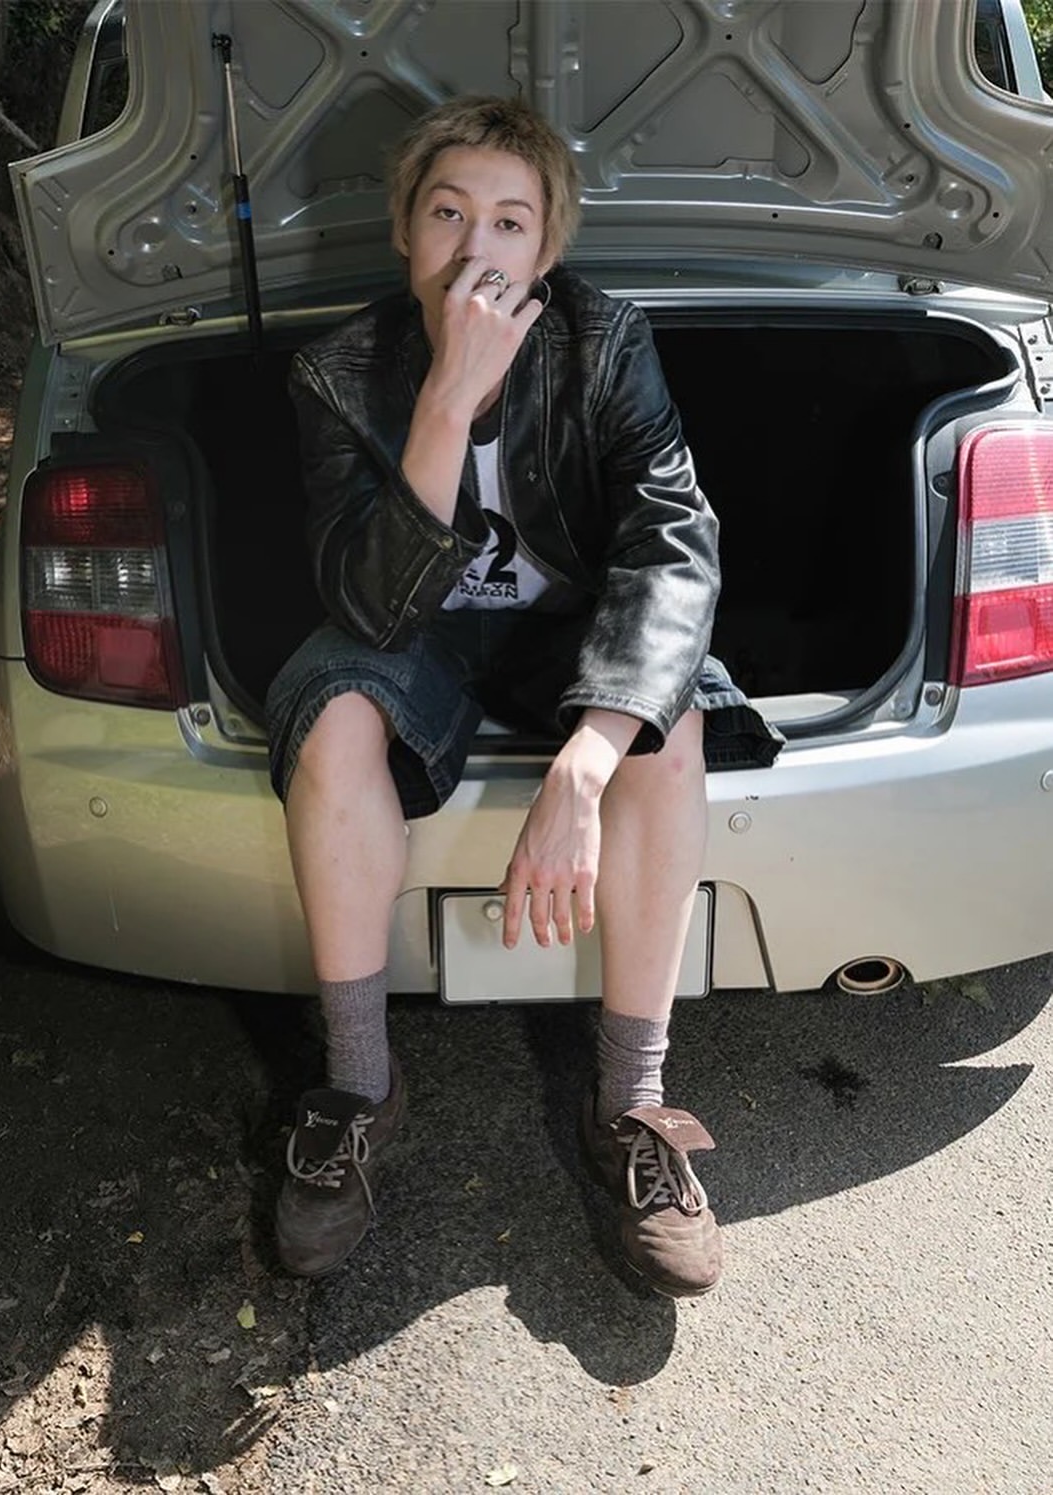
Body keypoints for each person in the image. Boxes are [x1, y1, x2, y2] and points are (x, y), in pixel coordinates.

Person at [265, 95, 781, 1298]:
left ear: (547, 248)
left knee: (664, 730)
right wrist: (447, 397)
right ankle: (357, 1092)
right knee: (333, 716)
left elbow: (673, 547)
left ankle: (633, 1105)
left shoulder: (605, 341)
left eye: (510, 221)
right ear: (406, 230)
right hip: (418, 636)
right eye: (448, 213)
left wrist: (585, 764)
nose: (476, 247)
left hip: (571, 634)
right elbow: (372, 608)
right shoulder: (338, 371)